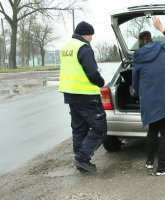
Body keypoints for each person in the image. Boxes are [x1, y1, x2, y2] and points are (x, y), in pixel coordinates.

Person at [131, 16, 165, 176]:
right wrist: (162, 28)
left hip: (150, 102)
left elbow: (135, 84)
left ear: (140, 43)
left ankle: (149, 162)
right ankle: (161, 167)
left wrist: (138, 94)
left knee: (153, 131)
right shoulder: (161, 48)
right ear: (151, 39)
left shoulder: (137, 58)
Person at [59, 21, 107, 173]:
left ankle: (81, 163)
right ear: (85, 34)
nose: (91, 38)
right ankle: (82, 158)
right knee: (100, 129)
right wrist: (101, 82)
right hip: (87, 95)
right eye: (90, 35)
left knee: (79, 129)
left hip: (71, 95)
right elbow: (92, 73)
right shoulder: (84, 48)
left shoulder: (66, 48)